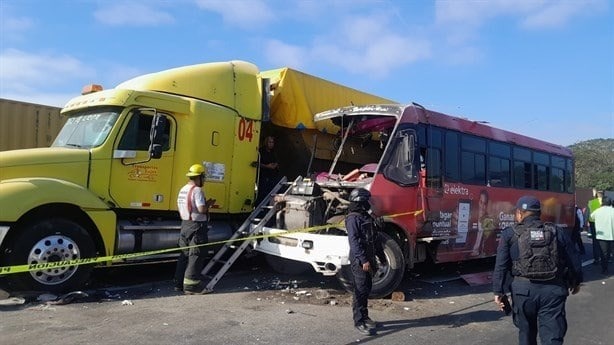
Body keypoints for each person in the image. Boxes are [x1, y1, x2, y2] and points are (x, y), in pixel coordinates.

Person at [493, 196, 583, 345]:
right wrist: (576, 281)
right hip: (553, 290)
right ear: (539, 213)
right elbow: (573, 259)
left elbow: (501, 265)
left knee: (526, 334)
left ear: (520, 213)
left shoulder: (510, 234)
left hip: (523, 292)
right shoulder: (556, 231)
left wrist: (498, 292)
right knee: (552, 336)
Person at [345, 188, 385, 336]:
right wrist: (363, 260)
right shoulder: (353, 218)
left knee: (366, 288)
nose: (369, 203)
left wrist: (380, 257)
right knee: (360, 291)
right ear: (360, 201)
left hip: (369, 257)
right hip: (360, 260)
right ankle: (359, 321)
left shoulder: (365, 216)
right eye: (367, 200)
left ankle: (365, 316)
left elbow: (374, 239)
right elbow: (354, 242)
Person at [174, 163, 216, 294]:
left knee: (184, 256)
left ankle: (179, 284)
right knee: (196, 256)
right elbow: (201, 209)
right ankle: (191, 287)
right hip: (196, 226)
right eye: (203, 177)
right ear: (199, 177)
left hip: (185, 225)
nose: (204, 180)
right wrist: (209, 204)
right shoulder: (197, 190)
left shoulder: (183, 189)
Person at [592, 197, 614, 274]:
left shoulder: (597, 211)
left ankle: (604, 269)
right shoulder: (613, 210)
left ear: (602, 202)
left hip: (601, 235)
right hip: (612, 235)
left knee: (603, 253)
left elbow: (592, 217)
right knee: (610, 252)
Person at [255, 136, 280, 205]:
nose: (271, 144)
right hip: (263, 176)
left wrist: (275, 165)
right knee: (262, 194)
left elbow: (277, 161)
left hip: (273, 176)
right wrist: (267, 166)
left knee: (272, 194)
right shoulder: (260, 151)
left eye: (272, 142)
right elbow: (257, 163)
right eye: (270, 142)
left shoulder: (274, 152)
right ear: (266, 143)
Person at [586, 190, 603, 264]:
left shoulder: (591, 202)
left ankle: (596, 258)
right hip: (602, 223)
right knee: (603, 240)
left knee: (595, 241)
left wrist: (586, 222)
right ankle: (604, 256)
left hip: (593, 222)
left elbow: (587, 212)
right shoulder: (605, 202)